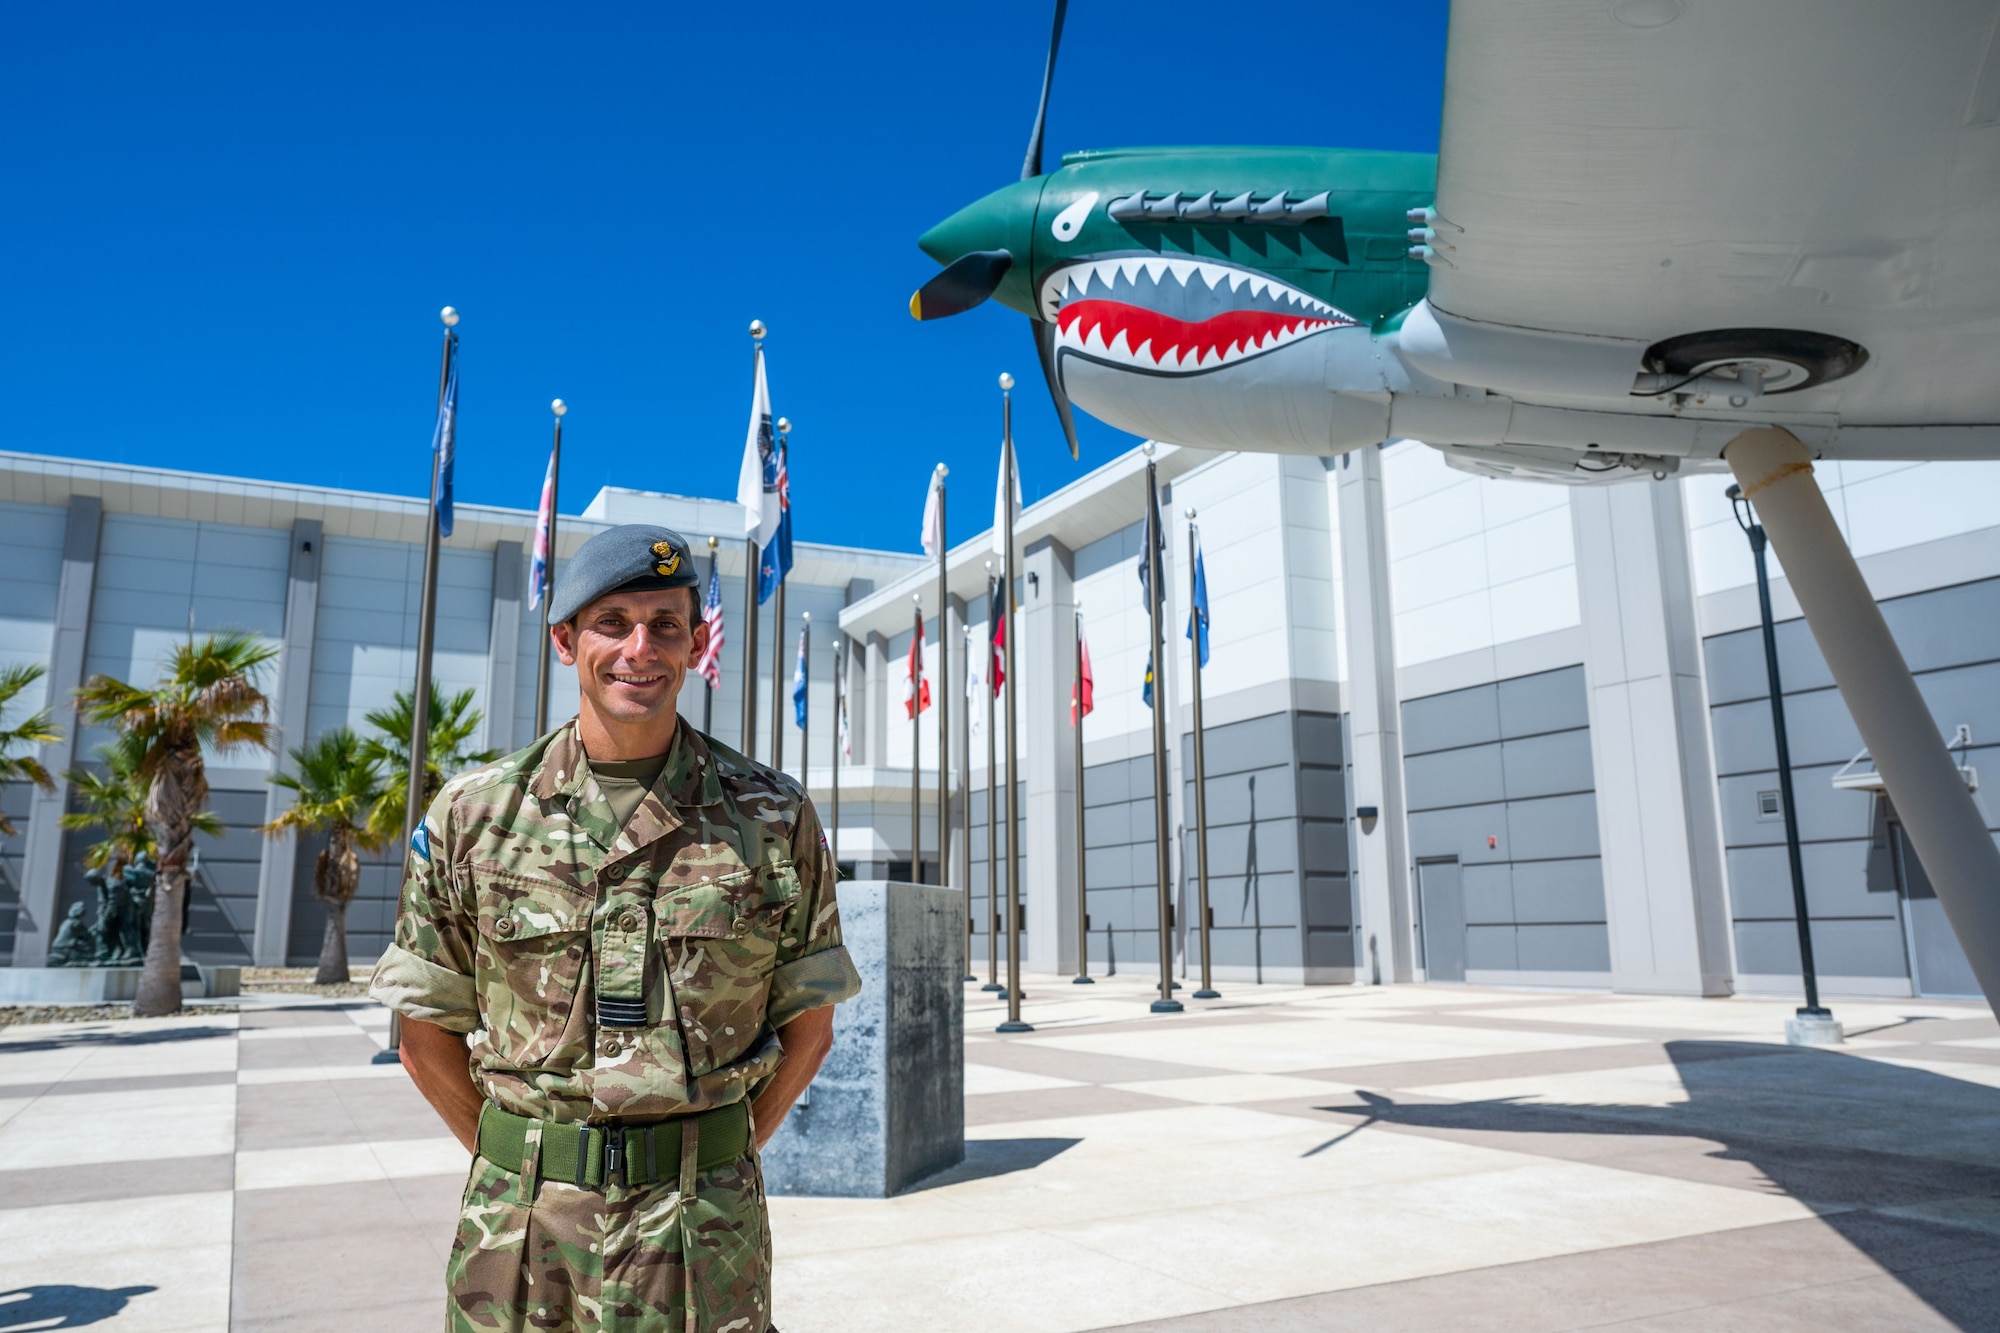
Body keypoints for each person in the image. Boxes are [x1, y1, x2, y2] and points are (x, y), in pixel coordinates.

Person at [370, 523, 860, 1333]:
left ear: (697, 642)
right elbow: (425, 1038)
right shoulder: (474, 815)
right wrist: (534, 1165)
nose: (642, 647)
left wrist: (715, 1158)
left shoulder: (770, 815)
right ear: (566, 640)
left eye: (666, 624)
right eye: (613, 622)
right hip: (522, 1238)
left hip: (706, 1237)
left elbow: (809, 1028)